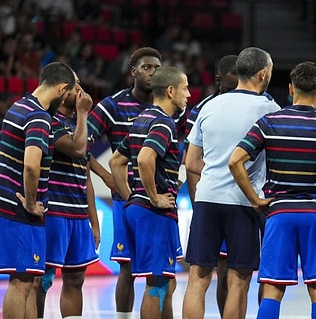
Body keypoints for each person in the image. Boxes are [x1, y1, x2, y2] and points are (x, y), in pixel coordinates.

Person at [229, 61, 316, 319]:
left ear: (291, 89)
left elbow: (235, 161)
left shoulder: (269, 122)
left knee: (272, 290)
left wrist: (255, 199)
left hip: (279, 214)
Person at [182, 47, 280, 319]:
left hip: (207, 199)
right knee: (238, 280)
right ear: (263, 74)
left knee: (197, 279)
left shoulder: (208, 105)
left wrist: (214, 175)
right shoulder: (270, 109)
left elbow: (190, 163)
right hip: (245, 202)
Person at [87, 47, 164, 319]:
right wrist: (107, 176)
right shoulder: (112, 105)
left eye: (157, 67)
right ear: (133, 71)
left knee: (161, 270)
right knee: (128, 269)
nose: (152, 72)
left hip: (160, 201)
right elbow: (81, 146)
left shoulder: (166, 105)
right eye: (146, 67)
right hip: (127, 200)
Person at [109, 66, 189, 319]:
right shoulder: (163, 123)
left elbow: (115, 162)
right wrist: (153, 196)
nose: (189, 95)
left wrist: (130, 196)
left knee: (166, 281)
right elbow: (145, 160)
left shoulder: (141, 119)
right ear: (170, 90)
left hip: (136, 209)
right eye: (185, 88)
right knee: (157, 283)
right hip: (153, 212)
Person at [0, 62, 77, 319]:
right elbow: (32, 166)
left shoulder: (19, 106)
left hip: (11, 207)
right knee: (21, 283)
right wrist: (32, 204)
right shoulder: (39, 117)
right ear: (62, 89)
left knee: (30, 281)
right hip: (19, 211)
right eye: (69, 93)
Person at [35, 73, 97, 319]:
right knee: (43, 279)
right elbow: (77, 149)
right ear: (62, 91)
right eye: (75, 86)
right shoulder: (50, 121)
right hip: (55, 211)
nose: (80, 90)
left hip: (79, 214)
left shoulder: (81, 124)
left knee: (76, 278)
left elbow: (86, 175)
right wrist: (83, 113)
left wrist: (93, 220)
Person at [183, 54, 238, 317]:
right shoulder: (202, 109)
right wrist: (196, 203)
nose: (234, 91)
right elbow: (192, 162)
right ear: (217, 81)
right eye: (230, 85)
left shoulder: (258, 102)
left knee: (227, 273)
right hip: (229, 201)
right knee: (215, 274)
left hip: (231, 200)